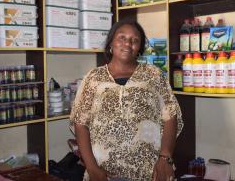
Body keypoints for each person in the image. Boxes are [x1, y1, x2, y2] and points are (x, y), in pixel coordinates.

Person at [70, 20, 183, 181]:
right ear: (111, 43)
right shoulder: (93, 78)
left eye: (135, 40)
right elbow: (80, 123)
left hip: (150, 172)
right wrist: (92, 168)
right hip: (103, 173)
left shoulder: (154, 75)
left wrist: (165, 158)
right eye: (122, 38)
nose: (128, 43)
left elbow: (171, 116)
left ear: (139, 48)